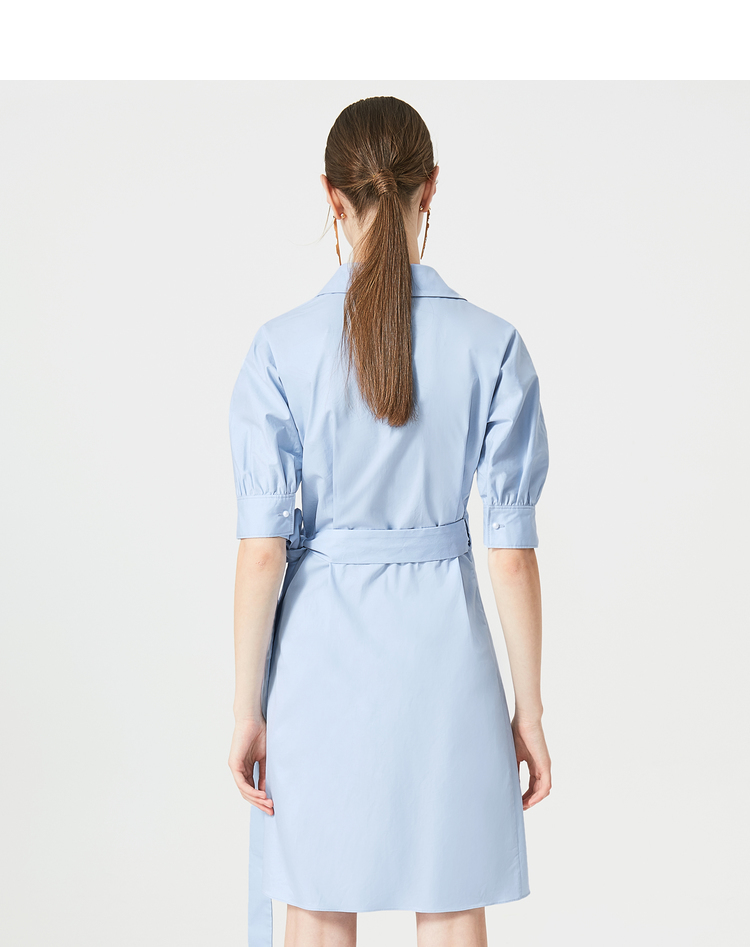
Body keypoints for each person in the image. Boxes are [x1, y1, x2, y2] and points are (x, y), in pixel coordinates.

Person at [227, 95, 551, 947]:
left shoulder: (280, 346)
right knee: (450, 901)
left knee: (318, 904)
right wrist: (529, 710)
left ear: (330, 196)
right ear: (430, 188)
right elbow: (512, 556)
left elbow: (261, 553)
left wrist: (247, 706)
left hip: (320, 658)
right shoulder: (494, 344)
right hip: (446, 659)